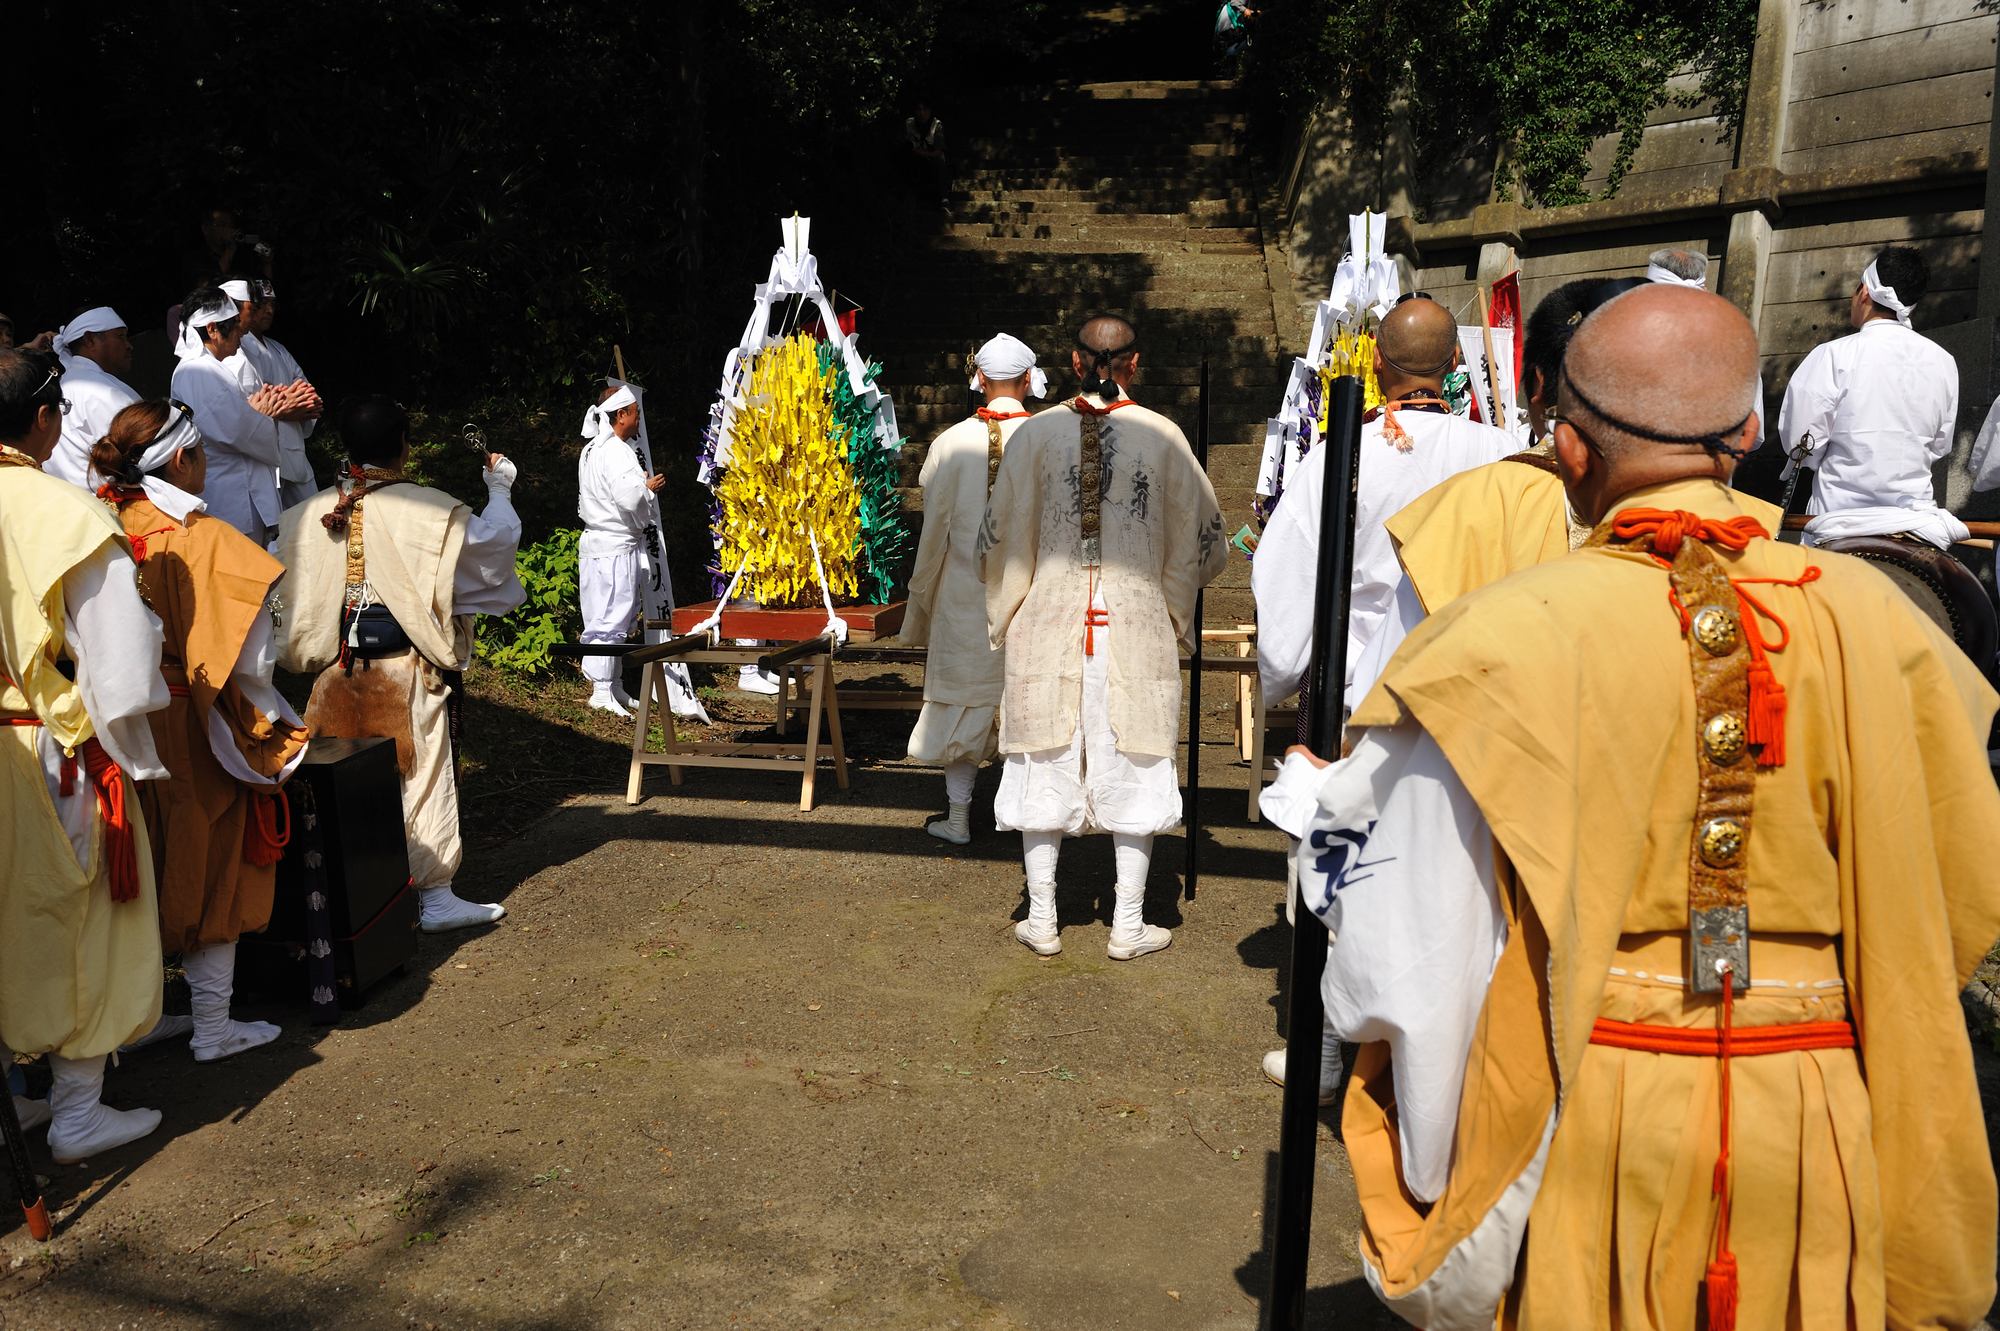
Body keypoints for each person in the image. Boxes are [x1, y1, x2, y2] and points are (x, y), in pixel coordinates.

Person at [1268, 283, 2000, 1328]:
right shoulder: (1887, 629)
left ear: (1566, 448)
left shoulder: (1493, 640)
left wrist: (1432, 1154)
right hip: (1821, 1106)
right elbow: (1959, 903)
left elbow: (1410, 945)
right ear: (1747, 433)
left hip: (1589, 1102)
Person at [981, 314, 1226, 959]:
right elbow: (1203, 538)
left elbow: (1000, 538)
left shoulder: (1034, 437)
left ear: (1071, 360)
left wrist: (1007, 609)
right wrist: (1171, 602)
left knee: (1041, 758)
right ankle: (1127, 923)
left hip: (1048, 619)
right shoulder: (1163, 436)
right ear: (1133, 363)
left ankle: (1043, 919)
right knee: (1137, 760)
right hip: (1133, 626)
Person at [93, 400, 311, 1061]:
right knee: (212, 855)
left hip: (113, 718)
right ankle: (213, 1026)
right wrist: (261, 717)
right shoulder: (204, 539)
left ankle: (142, 1012)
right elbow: (249, 658)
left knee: (139, 855)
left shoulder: (105, 521)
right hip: (189, 714)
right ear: (185, 458)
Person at [0, 349, 173, 1161]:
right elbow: (125, 656)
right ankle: (73, 1109)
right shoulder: (59, 511)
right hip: (46, 743)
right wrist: (123, 741)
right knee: (87, 915)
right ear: (43, 418)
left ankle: (16, 1100)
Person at [273, 395, 524, 933]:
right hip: (405, 671)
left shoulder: (302, 516)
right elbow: (495, 550)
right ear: (404, 447)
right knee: (422, 775)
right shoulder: (429, 512)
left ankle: (355, 891)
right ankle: (433, 897)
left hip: (335, 673)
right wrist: (499, 490)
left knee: (348, 781)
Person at [1253, 294, 1516, 714]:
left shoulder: (1339, 453)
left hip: (1362, 685)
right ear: (1453, 361)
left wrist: (1280, 671)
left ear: (1376, 359)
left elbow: (1287, 570)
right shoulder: (1505, 451)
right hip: (1472, 689)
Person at [901, 333, 1044, 844]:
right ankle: (1028, 824)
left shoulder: (949, 442)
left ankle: (959, 819)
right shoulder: (1050, 435)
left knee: (961, 702)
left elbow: (933, 521)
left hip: (964, 593)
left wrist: (922, 591)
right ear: (1028, 379)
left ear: (979, 379)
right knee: (1029, 704)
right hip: (1034, 594)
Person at [1776, 245, 1964, 548]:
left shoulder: (1833, 355)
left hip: (1838, 519)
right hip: (1917, 523)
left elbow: (1801, 443)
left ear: (1864, 292)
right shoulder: (1943, 361)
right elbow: (1940, 446)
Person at [170, 285, 315, 543]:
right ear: (213, 329)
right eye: (235, 324)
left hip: (245, 487)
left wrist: (258, 412)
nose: (241, 332)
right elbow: (236, 430)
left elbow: (240, 421)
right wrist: (263, 412)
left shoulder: (213, 367)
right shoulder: (196, 371)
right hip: (230, 493)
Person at [576, 384, 666, 717]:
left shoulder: (591, 449)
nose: (639, 418)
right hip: (612, 543)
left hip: (602, 542)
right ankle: (601, 689)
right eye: (636, 412)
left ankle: (612, 684)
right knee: (610, 616)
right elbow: (628, 499)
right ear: (622, 415)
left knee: (610, 613)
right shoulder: (615, 450)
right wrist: (647, 488)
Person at [1645, 248, 1767, 451]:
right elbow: (1753, 433)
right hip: (1710, 471)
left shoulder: (1624, 332)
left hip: (1635, 474)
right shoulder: (1736, 345)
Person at [237, 280, 323, 506]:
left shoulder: (278, 349)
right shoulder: (238, 348)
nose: (269, 310)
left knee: (311, 516)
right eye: (262, 303)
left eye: (272, 304)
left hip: (293, 447)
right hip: (264, 452)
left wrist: (296, 405)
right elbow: (253, 398)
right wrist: (286, 407)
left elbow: (306, 389)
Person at [45, 306, 139, 488]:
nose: (129, 345)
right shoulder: (100, 390)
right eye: (120, 336)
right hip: (108, 505)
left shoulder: (64, 383)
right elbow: (149, 451)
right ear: (90, 340)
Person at [903, 100, 950, 212]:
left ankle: (944, 198)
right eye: (919, 109)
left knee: (941, 160)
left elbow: (939, 151)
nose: (922, 113)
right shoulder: (910, 123)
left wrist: (923, 153)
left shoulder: (936, 125)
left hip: (931, 157)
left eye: (925, 109)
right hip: (914, 158)